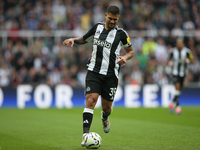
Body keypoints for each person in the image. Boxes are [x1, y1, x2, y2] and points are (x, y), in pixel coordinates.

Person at [63, 5, 133, 147]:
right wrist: (73, 40)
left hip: (110, 75)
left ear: (118, 18)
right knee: (91, 101)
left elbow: (130, 51)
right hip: (94, 71)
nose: (112, 22)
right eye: (110, 18)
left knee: (106, 108)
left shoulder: (122, 34)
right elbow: (84, 39)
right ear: (106, 15)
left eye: (115, 19)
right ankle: (85, 136)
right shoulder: (97, 27)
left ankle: (104, 117)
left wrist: (125, 57)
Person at [168, 39, 193, 114]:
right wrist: (170, 63)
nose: (179, 45)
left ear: (183, 44)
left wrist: (187, 61)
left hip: (183, 73)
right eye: (178, 43)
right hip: (175, 72)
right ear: (176, 44)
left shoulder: (187, 52)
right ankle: (178, 107)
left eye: (181, 43)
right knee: (177, 87)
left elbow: (192, 60)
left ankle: (172, 103)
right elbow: (169, 60)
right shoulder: (172, 51)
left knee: (179, 91)